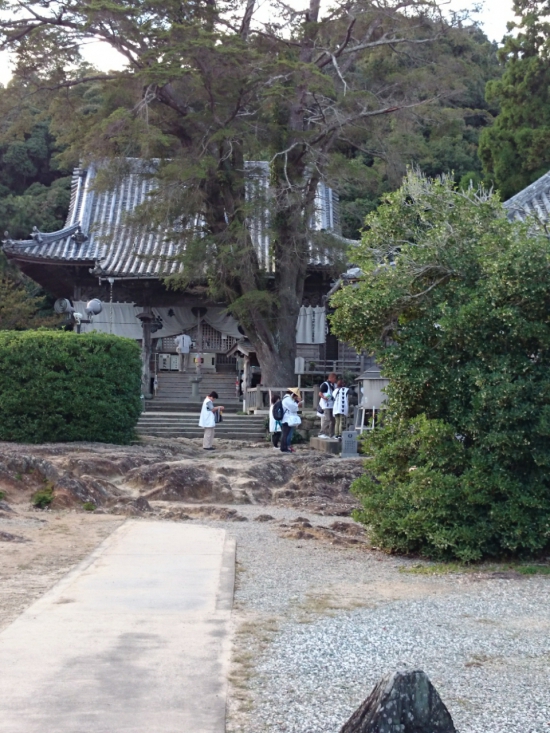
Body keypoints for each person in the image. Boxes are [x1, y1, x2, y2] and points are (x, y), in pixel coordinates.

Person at [280, 388, 302, 453]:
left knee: (287, 434)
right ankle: (284, 448)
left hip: (288, 419)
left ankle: (286, 447)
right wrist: (298, 404)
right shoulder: (287, 399)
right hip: (287, 419)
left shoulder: (288, 399)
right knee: (286, 435)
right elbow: (293, 408)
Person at [318, 372, 337, 439]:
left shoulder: (334, 385)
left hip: (332, 404)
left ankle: (331, 434)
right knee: (327, 419)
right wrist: (324, 397)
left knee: (333, 420)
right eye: (334, 378)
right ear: (331, 378)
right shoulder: (325, 384)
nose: (335, 379)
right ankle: (321, 432)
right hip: (326, 404)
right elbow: (320, 393)